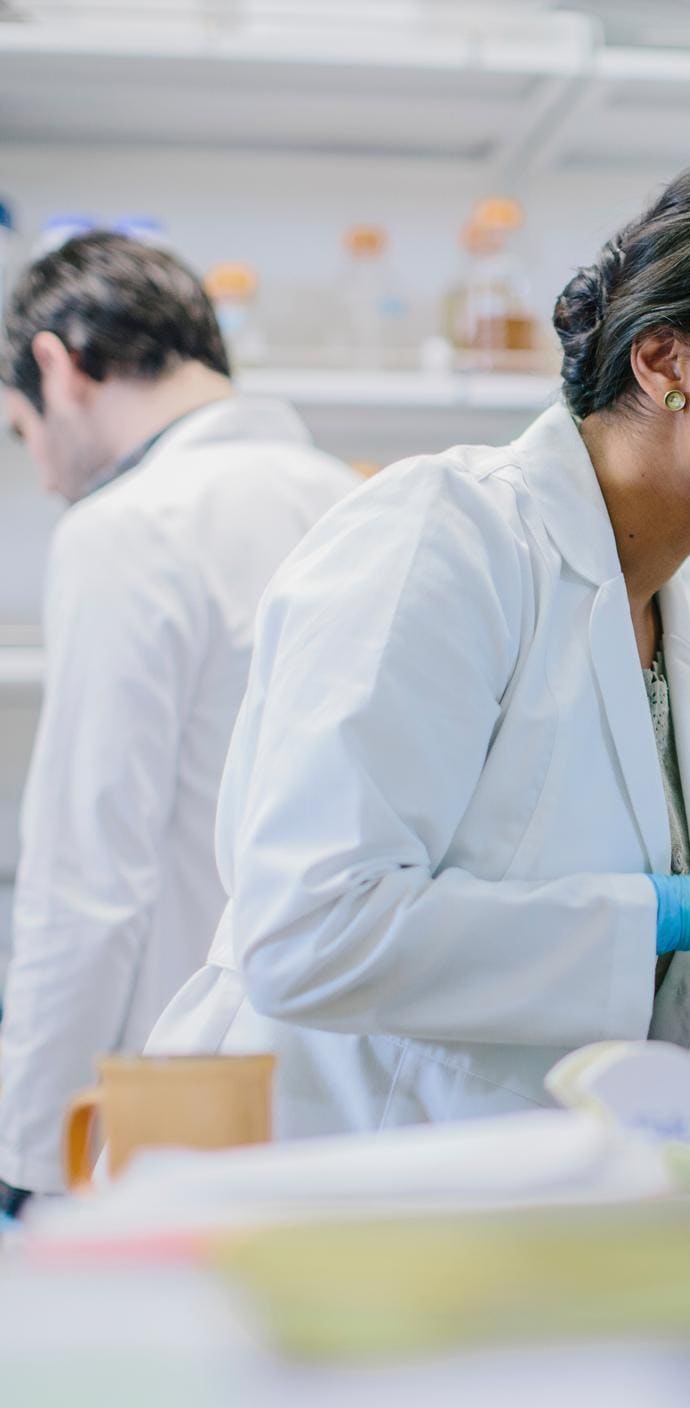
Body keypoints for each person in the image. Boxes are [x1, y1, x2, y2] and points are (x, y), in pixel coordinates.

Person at [144, 162, 690, 1139]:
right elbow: (308, 933)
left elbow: (639, 1009)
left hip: (540, 1212)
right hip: (334, 1196)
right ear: (664, 360)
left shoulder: (682, 635)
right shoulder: (444, 535)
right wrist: (654, 913)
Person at [0, 234, 360, 1211]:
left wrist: (27, 1161)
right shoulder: (353, 500)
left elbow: (85, 881)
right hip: (353, 1091)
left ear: (56, 367)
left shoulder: (126, 528)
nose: (41, 476)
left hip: (186, 1098)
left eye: (21, 432)